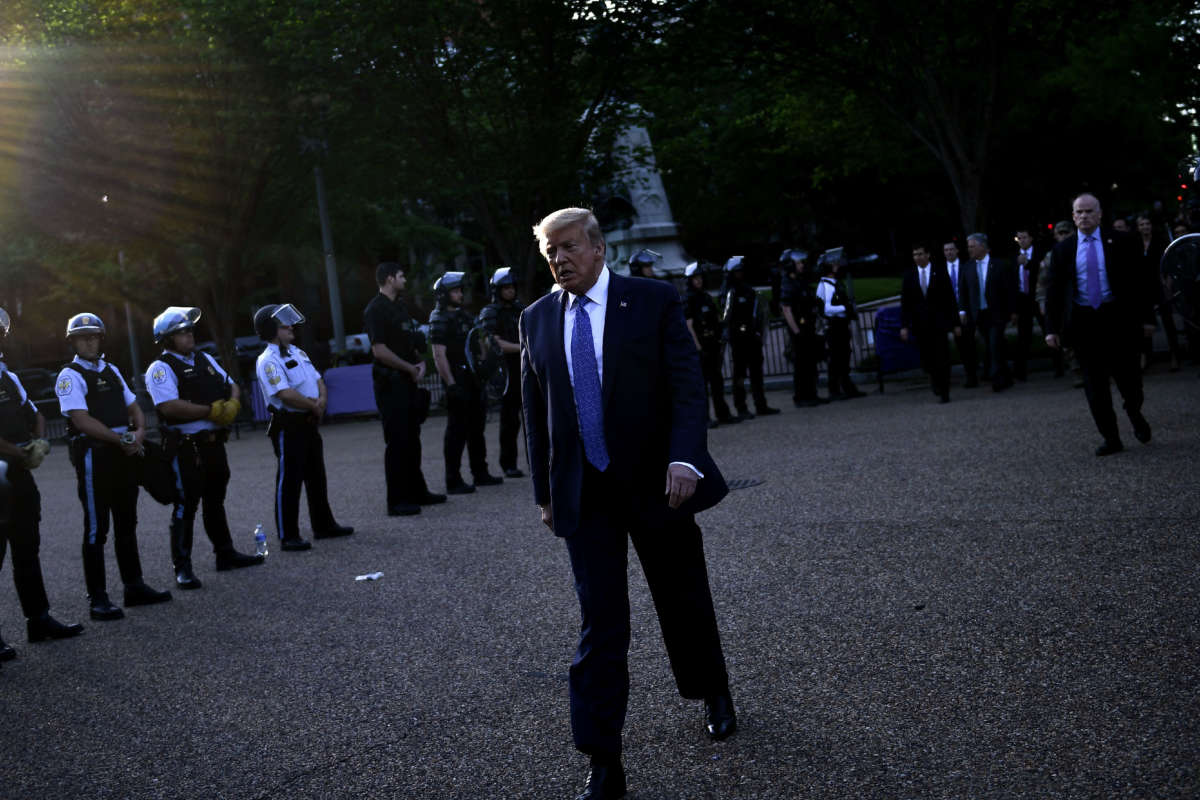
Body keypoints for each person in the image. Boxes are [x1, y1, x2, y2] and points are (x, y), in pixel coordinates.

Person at [522, 208, 736, 800]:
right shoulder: (537, 318)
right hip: (584, 496)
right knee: (601, 620)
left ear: (597, 248)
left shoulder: (651, 300)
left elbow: (687, 386)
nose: (558, 259)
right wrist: (545, 492)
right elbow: (536, 415)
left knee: (682, 597)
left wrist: (685, 458)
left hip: (657, 483)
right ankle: (602, 756)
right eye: (549, 252)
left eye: (567, 247)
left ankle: (711, 689)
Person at [56, 313, 172, 620]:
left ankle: (134, 586)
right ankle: (98, 599)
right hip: (95, 457)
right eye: (83, 337)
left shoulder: (111, 370)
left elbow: (134, 407)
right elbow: (80, 419)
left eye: (94, 336)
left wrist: (140, 432)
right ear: (73, 342)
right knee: (97, 529)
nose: (90, 341)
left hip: (123, 453)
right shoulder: (69, 375)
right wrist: (119, 439)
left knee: (127, 522)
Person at [145, 306, 263, 590]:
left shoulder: (204, 358)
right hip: (187, 447)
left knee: (215, 500)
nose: (189, 335)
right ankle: (182, 568)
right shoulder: (160, 368)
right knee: (186, 506)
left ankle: (225, 553)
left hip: (213, 444)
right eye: (182, 332)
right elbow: (169, 406)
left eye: (189, 330)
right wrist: (210, 411)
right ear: (167, 339)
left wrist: (233, 404)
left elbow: (231, 385)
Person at [0, 308, 84, 659]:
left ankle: (39, 619)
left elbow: (36, 413)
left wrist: (37, 442)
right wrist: (21, 454)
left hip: (18, 475)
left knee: (27, 551)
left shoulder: (7, 376)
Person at [1045, 193, 1155, 456]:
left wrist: (1148, 319)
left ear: (1099, 213)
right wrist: (1051, 328)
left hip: (1118, 320)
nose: (1083, 216)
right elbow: (1055, 291)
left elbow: (1142, 283)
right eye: (1079, 212)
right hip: (1084, 324)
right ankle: (1111, 437)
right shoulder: (1063, 249)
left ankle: (1134, 411)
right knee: (1095, 388)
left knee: (1130, 381)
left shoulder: (1124, 241)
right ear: (1073, 216)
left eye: (1088, 211)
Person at [254, 303, 353, 549]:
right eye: (283, 323)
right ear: (271, 329)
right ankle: (288, 535)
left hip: (308, 422)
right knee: (289, 480)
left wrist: (320, 401)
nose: (290, 326)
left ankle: (324, 526)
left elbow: (318, 379)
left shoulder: (298, 352)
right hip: (289, 425)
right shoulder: (268, 360)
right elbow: (285, 394)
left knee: (317, 476)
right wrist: (314, 406)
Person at [363, 263, 443, 516]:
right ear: (389, 279)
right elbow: (379, 350)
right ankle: (396, 501)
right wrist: (408, 368)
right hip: (391, 383)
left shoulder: (400, 307)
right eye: (401, 276)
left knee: (412, 438)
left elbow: (409, 340)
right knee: (397, 441)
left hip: (407, 381)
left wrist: (418, 361)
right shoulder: (375, 310)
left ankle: (417, 491)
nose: (405, 280)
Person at [429, 271, 502, 494]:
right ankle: (453, 479)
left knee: (477, 428)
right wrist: (451, 384)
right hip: (457, 380)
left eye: (460, 290)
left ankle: (480, 472)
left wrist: (485, 363)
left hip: (472, 379)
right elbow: (438, 355)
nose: (460, 294)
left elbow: (477, 343)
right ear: (443, 294)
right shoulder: (438, 317)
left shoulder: (465, 316)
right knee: (456, 431)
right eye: (455, 290)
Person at [476, 267, 526, 477]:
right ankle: (508, 464)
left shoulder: (520, 308)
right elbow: (492, 342)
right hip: (505, 370)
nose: (510, 291)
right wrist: (522, 347)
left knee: (534, 418)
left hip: (525, 366)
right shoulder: (490, 312)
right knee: (509, 420)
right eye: (505, 287)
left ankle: (539, 462)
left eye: (512, 287)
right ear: (497, 290)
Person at [899, 244, 960, 403]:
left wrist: (955, 323)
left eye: (920, 254)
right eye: (915, 255)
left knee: (942, 357)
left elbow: (950, 299)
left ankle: (944, 389)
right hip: (921, 325)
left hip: (939, 323)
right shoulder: (909, 275)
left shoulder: (940, 272)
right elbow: (906, 303)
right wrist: (904, 325)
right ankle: (934, 379)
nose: (917, 257)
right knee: (927, 358)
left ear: (927, 255)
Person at [721, 256, 780, 418]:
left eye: (741, 271)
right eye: (737, 272)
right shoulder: (728, 291)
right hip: (738, 338)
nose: (739, 274)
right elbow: (727, 315)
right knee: (739, 374)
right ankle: (741, 407)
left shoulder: (748, 290)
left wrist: (758, 331)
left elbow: (759, 311)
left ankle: (761, 404)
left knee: (756, 373)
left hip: (752, 336)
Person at [683, 261, 739, 427]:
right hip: (700, 347)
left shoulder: (706, 297)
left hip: (712, 344)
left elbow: (715, 320)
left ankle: (723, 414)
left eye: (700, 277)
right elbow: (689, 325)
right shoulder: (689, 300)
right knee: (701, 386)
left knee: (717, 382)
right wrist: (698, 348)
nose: (698, 281)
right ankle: (704, 418)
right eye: (695, 278)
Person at [961, 233, 1018, 392]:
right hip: (979, 314)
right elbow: (964, 292)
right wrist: (963, 311)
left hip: (997, 313)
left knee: (994, 344)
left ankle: (997, 378)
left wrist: (1013, 311)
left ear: (982, 247)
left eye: (972, 246)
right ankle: (1006, 376)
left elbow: (1010, 290)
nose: (969, 250)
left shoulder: (1000, 265)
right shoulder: (967, 267)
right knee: (993, 345)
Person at [778, 249, 827, 406]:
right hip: (799, 329)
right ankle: (801, 396)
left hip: (808, 327)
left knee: (810, 362)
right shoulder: (788, 283)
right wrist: (796, 331)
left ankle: (811, 394)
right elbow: (786, 309)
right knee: (801, 364)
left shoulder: (800, 281)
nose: (801, 265)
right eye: (798, 263)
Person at [816, 255, 866, 399]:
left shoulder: (832, 283)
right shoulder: (827, 285)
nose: (836, 266)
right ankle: (836, 389)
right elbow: (827, 309)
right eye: (833, 264)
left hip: (839, 325)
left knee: (842, 357)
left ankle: (844, 387)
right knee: (837, 358)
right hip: (834, 326)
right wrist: (845, 308)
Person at [1136, 214, 1181, 372]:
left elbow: (1169, 261)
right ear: (1138, 227)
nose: (1145, 227)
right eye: (1141, 224)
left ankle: (1175, 355)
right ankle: (1145, 356)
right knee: (1144, 322)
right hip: (1143, 288)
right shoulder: (1135, 244)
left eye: (1147, 223)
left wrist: (1168, 284)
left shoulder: (1160, 241)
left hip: (1160, 284)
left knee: (1168, 321)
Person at [943, 240, 979, 387]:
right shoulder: (940, 270)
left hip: (967, 310)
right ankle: (970, 373)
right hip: (951, 313)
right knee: (960, 345)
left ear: (957, 251)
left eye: (951, 249)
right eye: (946, 250)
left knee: (969, 343)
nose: (949, 252)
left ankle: (973, 374)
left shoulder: (967, 266)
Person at [1012, 228, 1046, 382]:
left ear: (1031, 239)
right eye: (1019, 238)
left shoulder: (1040, 254)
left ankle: (1060, 365)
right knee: (1023, 336)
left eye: (1024, 237)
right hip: (1023, 300)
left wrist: (1028, 263)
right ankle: (1021, 372)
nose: (1022, 240)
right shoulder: (1014, 256)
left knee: (1047, 330)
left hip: (1038, 297)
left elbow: (1043, 272)